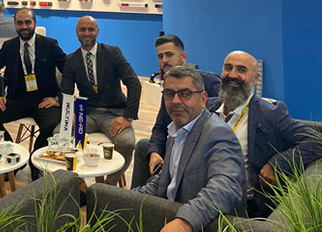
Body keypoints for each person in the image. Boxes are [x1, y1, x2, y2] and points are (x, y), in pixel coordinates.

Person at [207, 50, 321, 217]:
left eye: (241, 70)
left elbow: (315, 141)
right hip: (203, 198)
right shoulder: (206, 108)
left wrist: (276, 164)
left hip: (243, 209)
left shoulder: (270, 114)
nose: (232, 75)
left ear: (256, 79)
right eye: (228, 68)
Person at [132, 66, 245, 232]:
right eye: (169, 94)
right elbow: (167, 180)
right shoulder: (176, 129)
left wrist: (185, 222)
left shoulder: (218, 133)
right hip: (167, 214)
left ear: (203, 99)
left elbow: (226, 186)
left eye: (185, 94)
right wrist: (127, 199)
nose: (176, 101)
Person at [0, 8, 66, 180]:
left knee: (50, 125)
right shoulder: (9, 46)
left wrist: (58, 99)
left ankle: (35, 163)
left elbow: (70, 72)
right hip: (17, 99)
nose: (24, 26)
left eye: (28, 22)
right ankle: (15, 156)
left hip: (44, 100)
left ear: (35, 23)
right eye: (19, 23)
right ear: (15, 24)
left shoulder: (50, 44)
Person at [60, 16, 141, 186]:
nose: (87, 33)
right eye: (82, 29)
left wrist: (128, 117)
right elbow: (66, 92)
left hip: (114, 113)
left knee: (127, 144)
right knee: (60, 136)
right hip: (86, 113)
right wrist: (69, 115)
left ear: (97, 31)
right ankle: (80, 184)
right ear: (76, 32)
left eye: (91, 29)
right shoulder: (71, 60)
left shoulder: (113, 53)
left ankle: (107, 186)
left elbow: (134, 83)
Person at [131, 34, 221, 188]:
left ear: (183, 56)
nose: (165, 60)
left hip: (200, 152)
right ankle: (134, 199)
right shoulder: (169, 88)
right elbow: (160, 127)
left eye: (169, 54)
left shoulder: (210, 83)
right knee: (143, 146)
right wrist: (155, 152)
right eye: (160, 56)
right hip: (175, 145)